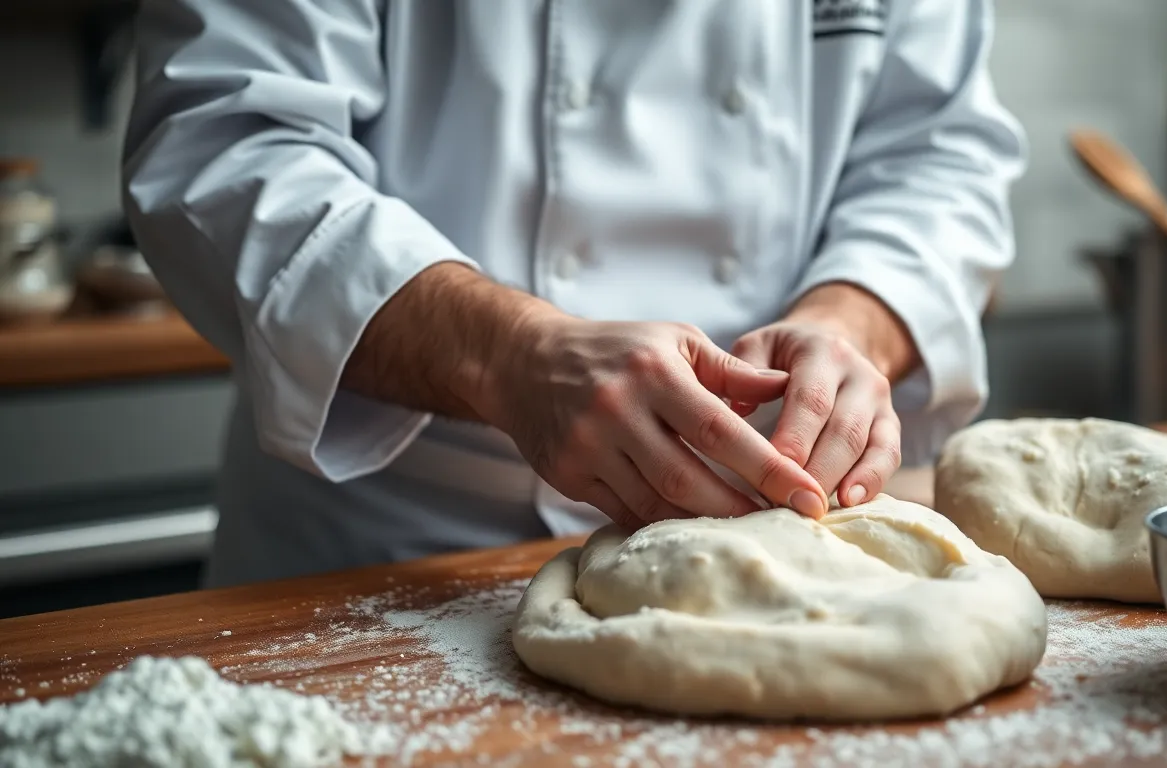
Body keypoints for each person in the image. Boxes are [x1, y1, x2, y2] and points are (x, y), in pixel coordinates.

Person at [122, 0, 1024, 588]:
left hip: (787, 551)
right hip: (383, 552)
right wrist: (510, 356)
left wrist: (847, 323)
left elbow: (937, 155)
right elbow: (227, 143)